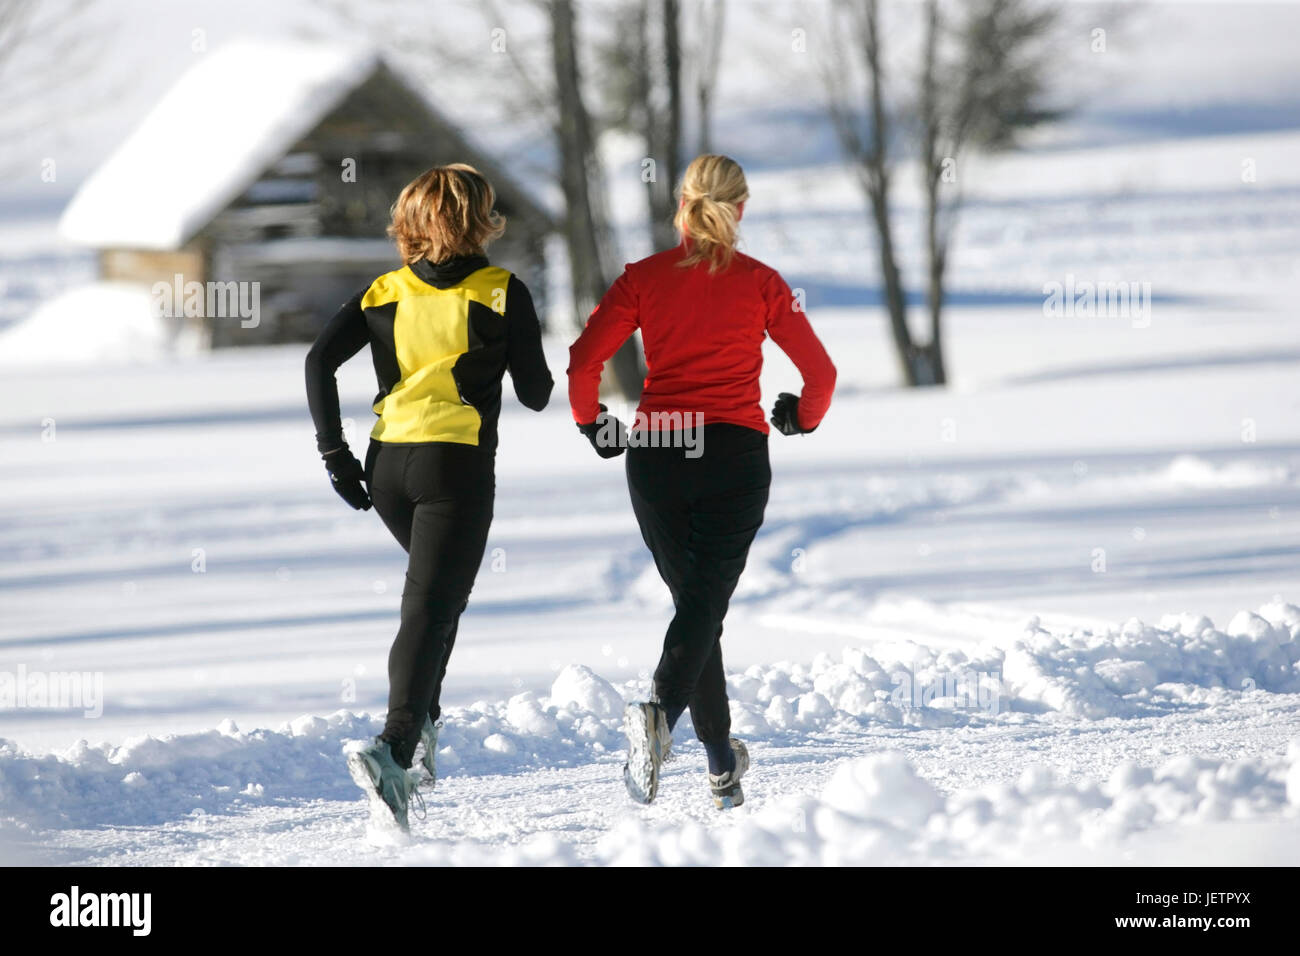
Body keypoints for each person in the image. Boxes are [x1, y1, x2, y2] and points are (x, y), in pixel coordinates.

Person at [567, 154, 836, 809]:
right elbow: (821, 376)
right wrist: (799, 418)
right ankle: (660, 713)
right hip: (734, 455)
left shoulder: (644, 278)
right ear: (740, 209)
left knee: (697, 606)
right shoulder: (762, 283)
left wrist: (594, 425)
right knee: (703, 604)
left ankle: (721, 763)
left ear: (680, 207)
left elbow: (582, 363)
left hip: (660, 448)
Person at [304, 163, 553, 830]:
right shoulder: (502, 291)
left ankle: (424, 727)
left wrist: (336, 455)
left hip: (388, 469)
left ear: (411, 222)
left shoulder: (382, 291)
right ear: (480, 220)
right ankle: (394, 746)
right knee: (429, 608)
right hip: (455, 468)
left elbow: (317, 361)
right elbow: (535, 394)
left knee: (438, 601)